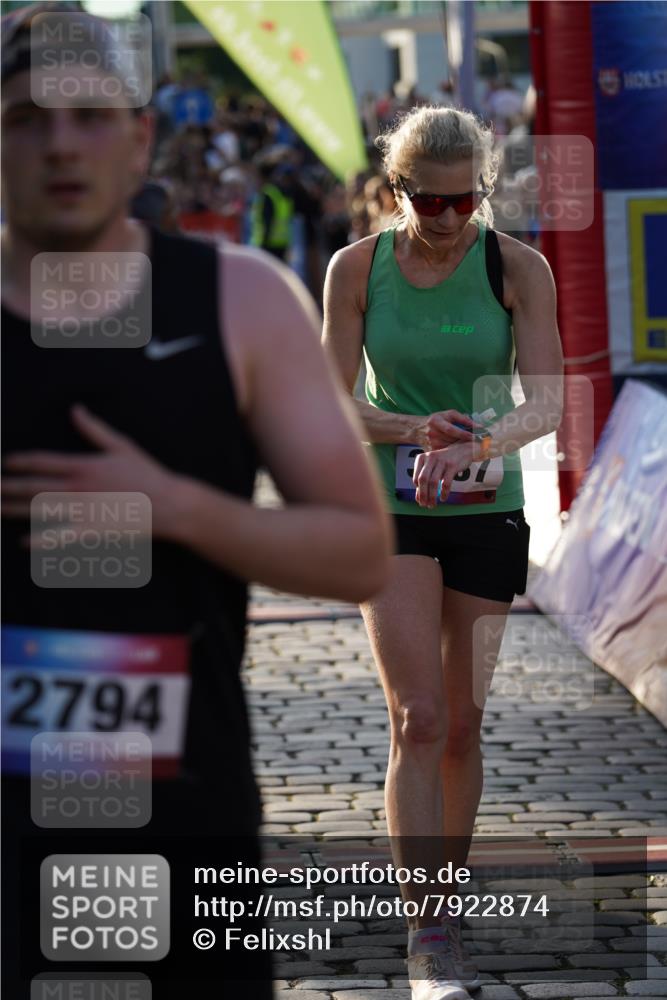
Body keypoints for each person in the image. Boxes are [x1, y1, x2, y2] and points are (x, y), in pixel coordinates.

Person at [0, 5, 390, 996]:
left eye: (90, 117)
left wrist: (173, 507)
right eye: (26, 119)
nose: (59, 146)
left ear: (139, 139)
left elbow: (357, 553)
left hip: (180, 810)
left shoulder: (241, 301)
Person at [323, 106, 563, 1000]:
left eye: (468, 200)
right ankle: (428, 935)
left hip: (486, 507)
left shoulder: (517, 268)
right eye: (432, 202)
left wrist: (479, 445)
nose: (452, 218)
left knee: (462, 724)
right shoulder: (357, 269)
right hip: (389, 507)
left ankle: (445, 898)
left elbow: (546, 404)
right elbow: (329, 401)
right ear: (398, 193)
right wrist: (410, 429)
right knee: (418, 719)